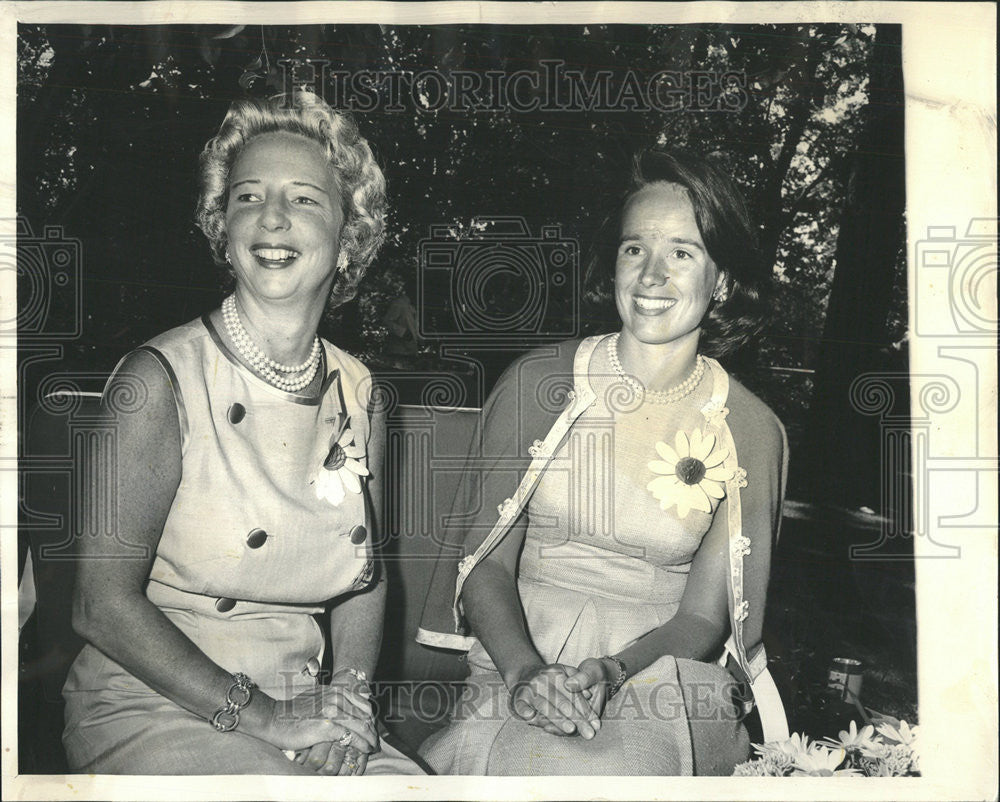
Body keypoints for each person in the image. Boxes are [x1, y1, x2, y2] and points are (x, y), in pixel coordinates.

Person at [62, 91, 424, 776]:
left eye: (305, 200)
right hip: (156, 702)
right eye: (249, 197)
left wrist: (345, 706)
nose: (274, 218)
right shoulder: (157, 380)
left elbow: (364, 580)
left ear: (349, 240)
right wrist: (266, 717)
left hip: (305, 699)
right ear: (222, 229)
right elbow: (99, 605)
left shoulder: (362, 393)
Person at [416, 150, 789, 775]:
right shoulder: (537, 383)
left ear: (722, 281)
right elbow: (482, 567)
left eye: (682, 252)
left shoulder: (750, 431)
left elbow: (702, 615)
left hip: (659, 674)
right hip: (521, 653)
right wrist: (527, 671)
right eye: (633, 248)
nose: (651, 274)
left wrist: (615, 671)